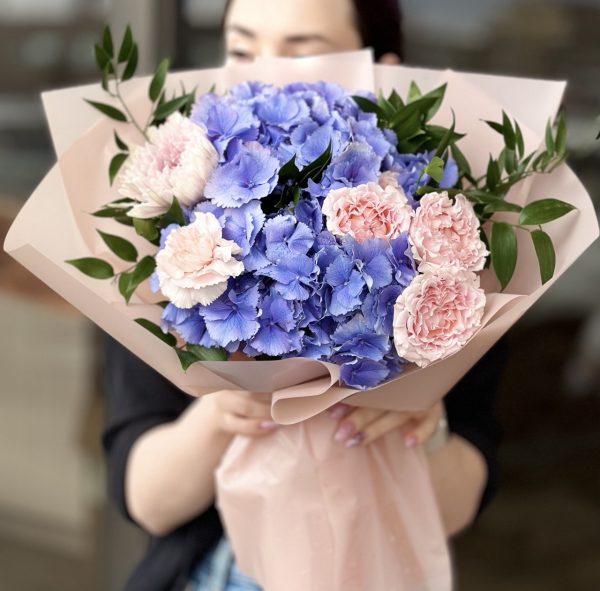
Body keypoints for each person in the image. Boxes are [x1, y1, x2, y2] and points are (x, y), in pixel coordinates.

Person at [102, 0, 506, 589]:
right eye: (242, 49)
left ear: (382, 69)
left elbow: (457, 508)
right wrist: (222, 413)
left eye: (302, 51)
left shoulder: (444, 257)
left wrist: (423, 425)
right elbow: (145, 501)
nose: (264, 73)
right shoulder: (178, 240)